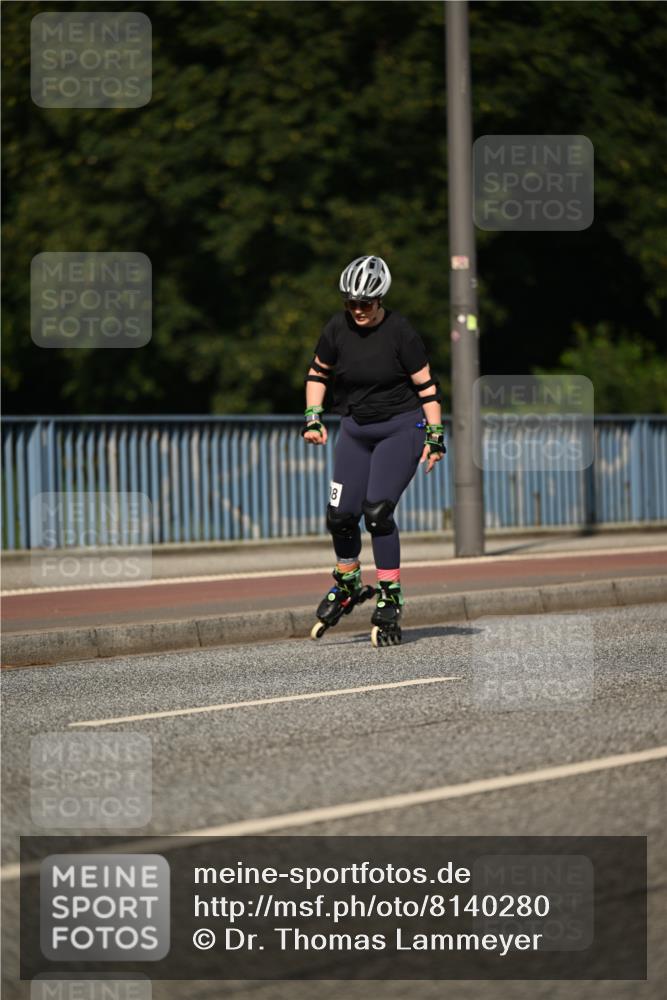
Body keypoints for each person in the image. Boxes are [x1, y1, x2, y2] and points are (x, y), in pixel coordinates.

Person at [302, 255, 445, 646]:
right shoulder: (337, 328)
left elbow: (428, 388)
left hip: (401, 428)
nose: (358, 310)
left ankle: (389, 596)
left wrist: (435, 437)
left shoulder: (401, 332)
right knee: (340, 515)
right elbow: (318, 374)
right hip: (355, 429)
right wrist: (313, 417)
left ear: (380, 299)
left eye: (365, 303)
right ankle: (348, 582)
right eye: (351, 303)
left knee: (377, 513)